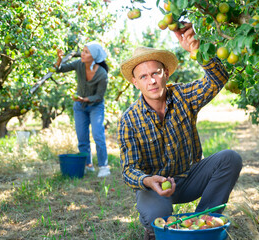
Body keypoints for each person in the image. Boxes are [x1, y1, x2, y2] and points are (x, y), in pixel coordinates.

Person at [117, 23, 242, 240]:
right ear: (135, 83)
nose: (152, 81)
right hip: (154, 187)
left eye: (156, 73)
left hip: (189, 177)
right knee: (157, 218)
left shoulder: (183, 95)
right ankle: (156, 232)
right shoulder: (129, 119)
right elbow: (129, 169)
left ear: (165, 73)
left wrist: (197, 52)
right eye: (144, 77)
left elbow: (218, 80)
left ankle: (203, 224)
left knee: (230, 158)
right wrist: (148, 181)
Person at [55, 41, 110, 178]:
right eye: (83, 51)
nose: (82, 54)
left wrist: (85, 99)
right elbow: (59, 69)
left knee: (98, 135)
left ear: (94, 56)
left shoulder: (102, 74)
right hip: (80, 107)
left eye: (86, 52)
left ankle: (103, 166)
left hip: (95, 106)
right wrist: (59, 58)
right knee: (82, 137)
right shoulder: (79, 64)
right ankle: (88, 165)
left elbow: (99, 96)